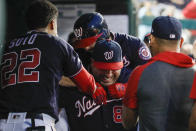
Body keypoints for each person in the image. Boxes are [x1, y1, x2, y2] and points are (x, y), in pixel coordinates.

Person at [0, 0, 106, 131]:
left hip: (3, 122)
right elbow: (88, 84)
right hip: (35, 123)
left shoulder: (6, 47)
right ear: (52, 23)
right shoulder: (57, 44)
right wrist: (97, 87)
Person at [122, 16, 196, 131]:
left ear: (152, 39)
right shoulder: (194, 72)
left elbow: (128, 122)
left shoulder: (139, 73)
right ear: (181, 41)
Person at [58, 39, 137, 131]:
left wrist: (129, 90)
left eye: (114, 68)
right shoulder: (75, 84)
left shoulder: (130, 79)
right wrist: (90, 85)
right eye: (103, 68)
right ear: (92, 63)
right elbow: (49, 79)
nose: (109, 74)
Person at [72, 12, 151, 83]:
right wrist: (90, 85)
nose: (86, 48)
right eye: (82, 43)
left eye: (89, 43)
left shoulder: (133, 44)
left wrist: (124, 84)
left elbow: (149, 75)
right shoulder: (81, 52)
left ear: (103, 35)